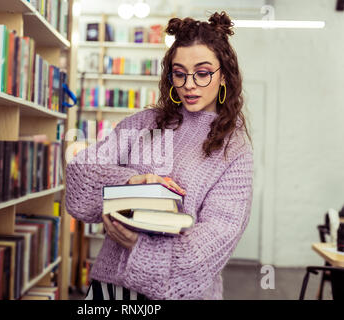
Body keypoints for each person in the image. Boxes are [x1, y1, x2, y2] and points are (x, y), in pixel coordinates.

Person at [65, 11, 254, 300]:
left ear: (224, 76)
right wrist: (130, 182)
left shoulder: (234, 149)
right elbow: (79, 179)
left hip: (184, 294)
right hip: (112, 289)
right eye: (179, 73)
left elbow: (217, 240)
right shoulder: (144, 124)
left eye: (202, 73)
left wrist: (139, 246)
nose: (189, 84)